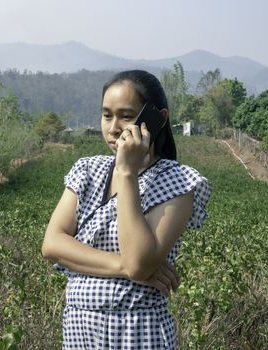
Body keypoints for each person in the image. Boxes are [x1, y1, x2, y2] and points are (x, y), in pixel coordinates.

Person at [41, 70, 211, 349]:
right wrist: (122, 266)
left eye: (127, 116)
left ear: (158, 119)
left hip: (138, 330)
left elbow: (139, 261)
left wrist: (127, 172)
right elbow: (52, 244)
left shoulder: (179, 182)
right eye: (107, 115)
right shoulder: (88, 170)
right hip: (79, 330)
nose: (114, 127)